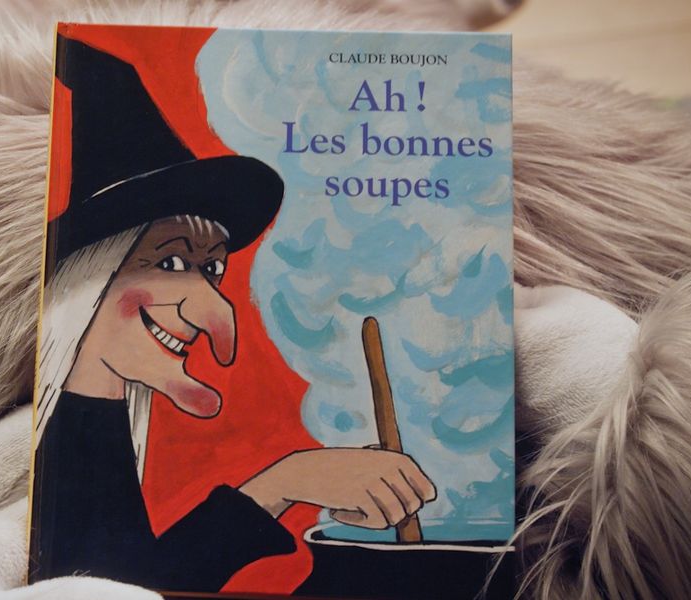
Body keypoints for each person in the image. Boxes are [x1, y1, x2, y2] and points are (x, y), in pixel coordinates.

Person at [28, 37, 436, 592]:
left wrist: (292, 482)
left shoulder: (97, 419)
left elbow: (124, 579)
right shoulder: (48, 437)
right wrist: (288, 480)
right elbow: (112, 589)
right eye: (172, 261)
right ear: (93, 273)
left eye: (213, 269)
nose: (211, 308)